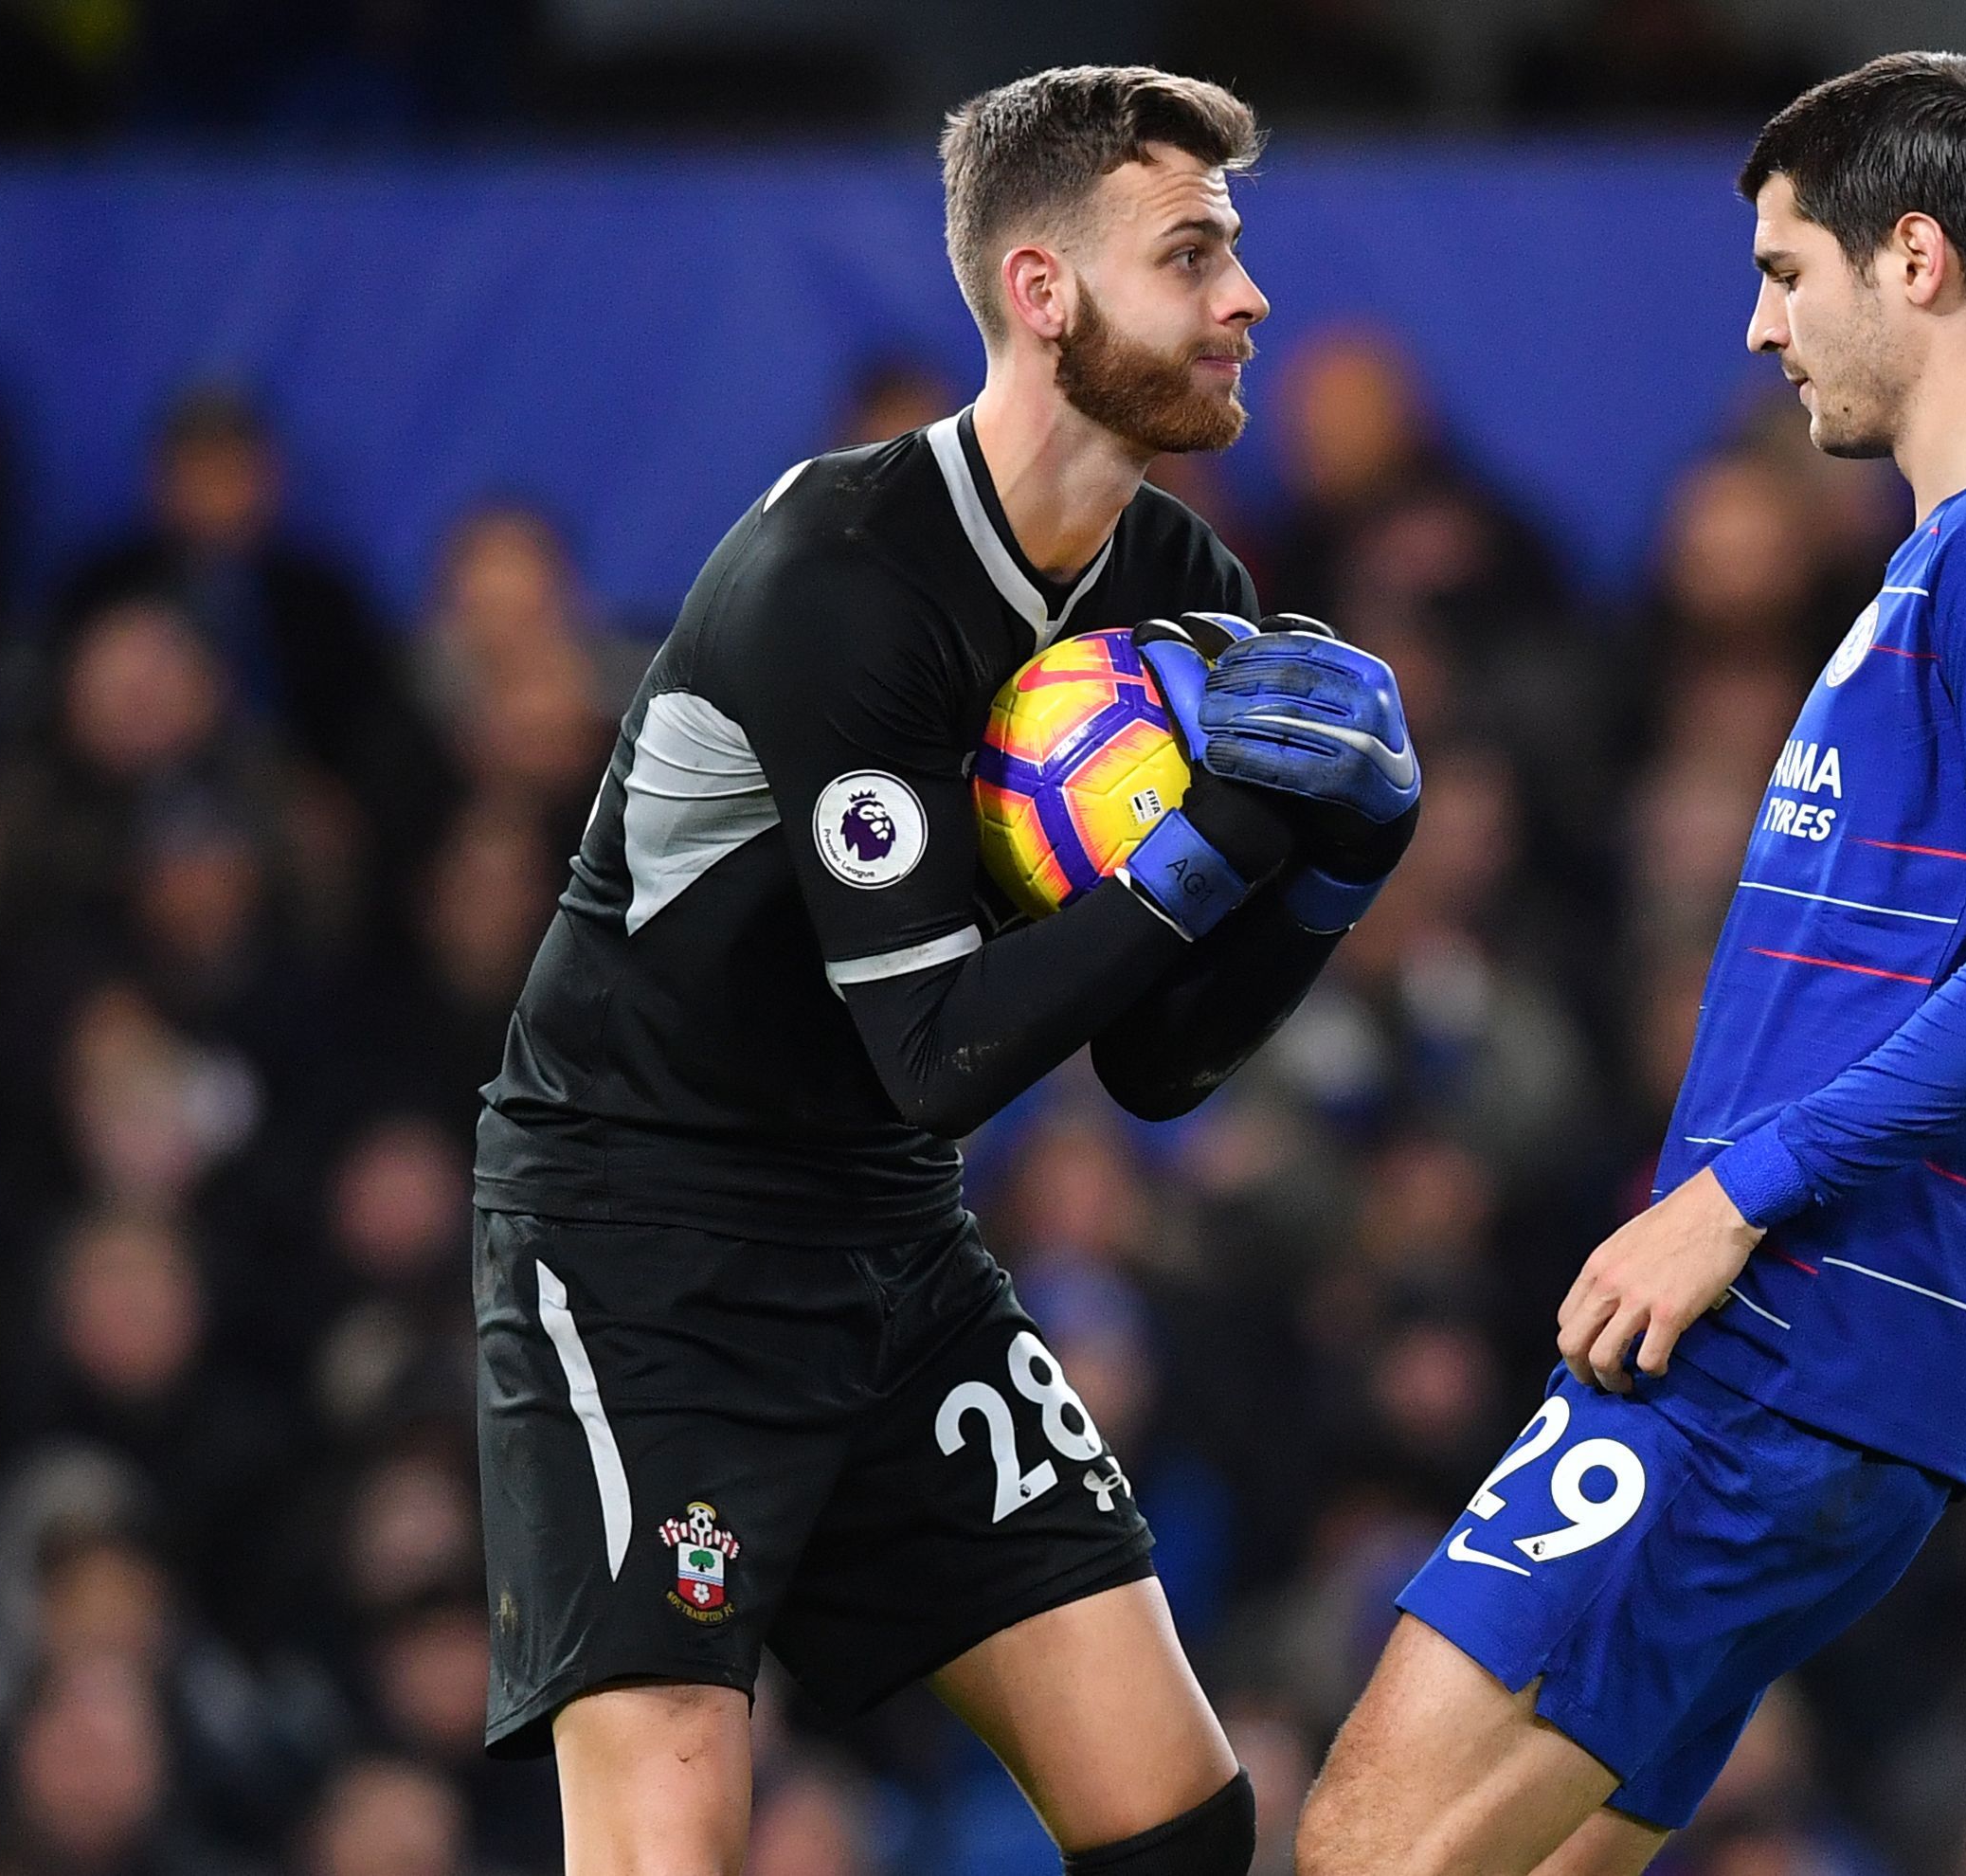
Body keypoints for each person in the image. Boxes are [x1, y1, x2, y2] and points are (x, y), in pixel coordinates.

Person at [469, 65, 1421, 1876]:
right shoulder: (839, 575)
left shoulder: (1172, 581)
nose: (1249, 297)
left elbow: (1148, 1066)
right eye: (1196, 252)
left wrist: (1329, 884)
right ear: (1043, 292)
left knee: (1177, 1823)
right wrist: (1223, 851)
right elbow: (935, 1048)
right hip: (644, 1243)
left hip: (888, 1239)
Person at [1295, 53, 1966, 1876]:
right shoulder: (1959, 555)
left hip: (1791, 1335)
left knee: (1368, 1848)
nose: (1760, 325)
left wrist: (1729, 1204)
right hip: (1812, 1353)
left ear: (1915, 260)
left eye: (1788, 272)